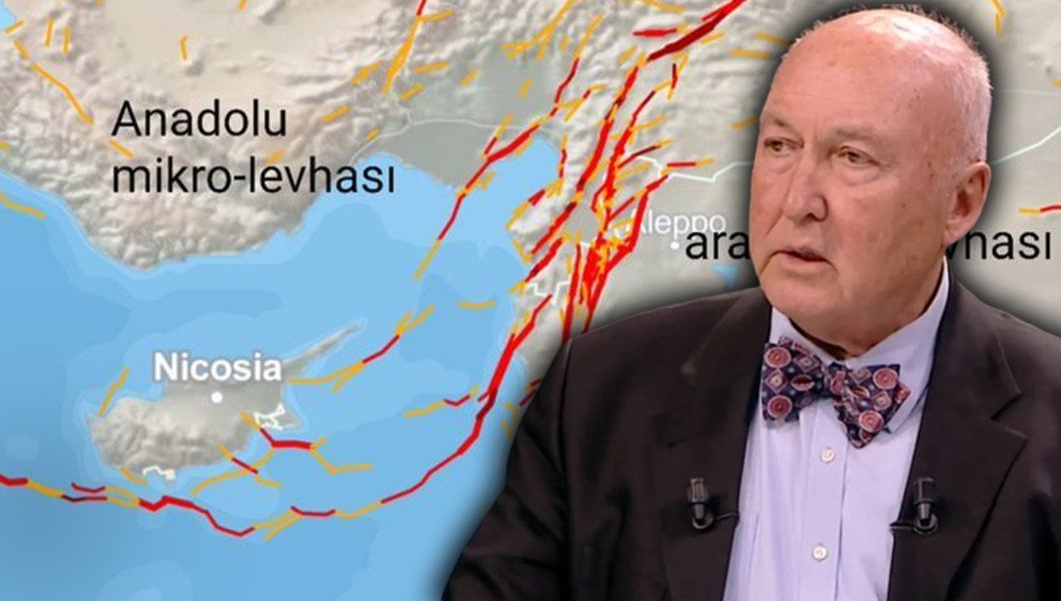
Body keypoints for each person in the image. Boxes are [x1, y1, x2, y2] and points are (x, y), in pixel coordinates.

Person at [441, 5, 1061, 601]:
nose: (797, 201)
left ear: (960, 202)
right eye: (780, 146)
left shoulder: (1050, 420)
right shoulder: (602, 392)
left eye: (853, 158)